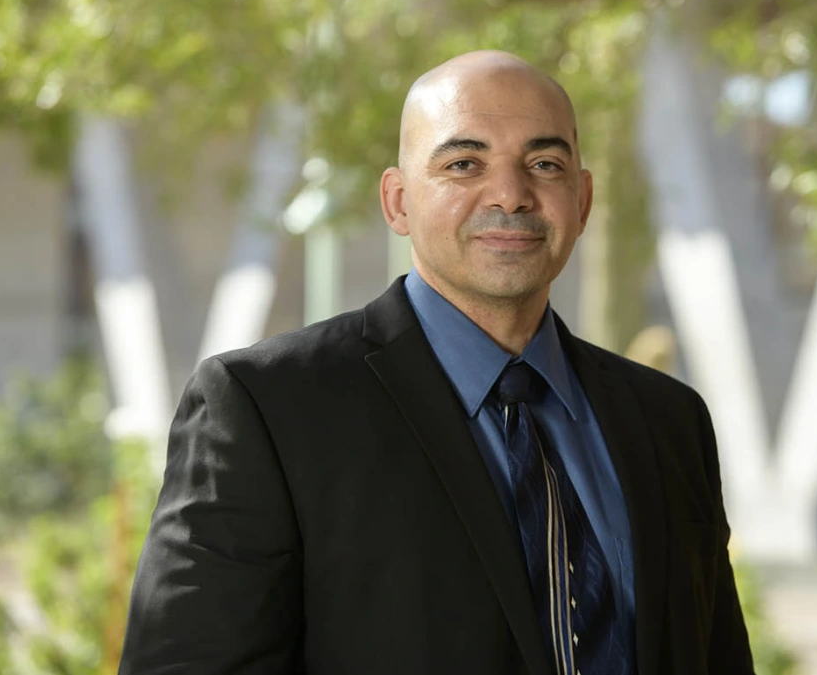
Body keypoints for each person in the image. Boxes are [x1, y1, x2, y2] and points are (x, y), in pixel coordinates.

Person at [119, 50, 754, 675]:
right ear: (397, 202)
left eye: (545, 162)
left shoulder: (670, 421)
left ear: (581, 200)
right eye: (463, 163)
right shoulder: (266, 409)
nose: (511, 192)